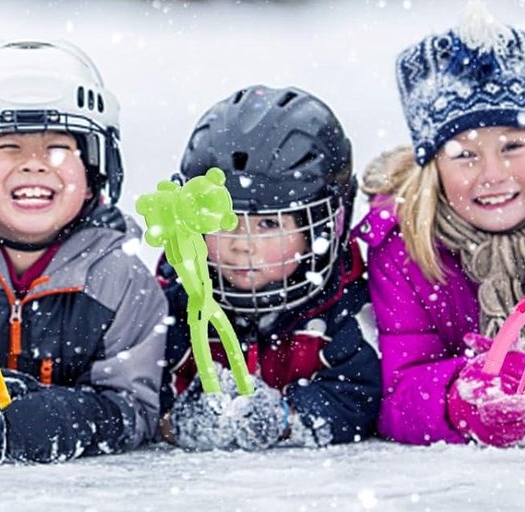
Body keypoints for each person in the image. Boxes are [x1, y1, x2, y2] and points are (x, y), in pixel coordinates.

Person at [0, 40, 167, 467]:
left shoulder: (121, 279)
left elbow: (136, 408)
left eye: (59, 147)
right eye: (8, 147)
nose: (34, 164)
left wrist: (70, 418)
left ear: (94, 174)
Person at [360, 7, 525, 447]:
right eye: (465, 154)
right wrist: (460, 398)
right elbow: (398, 392)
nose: (493, 174)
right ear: (434, 167)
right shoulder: (405, 249)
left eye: (512, 146)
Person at [162, 86, 380, 450]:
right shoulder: (175, 300)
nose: (241, 244)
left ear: (323, 228)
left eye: (268, 224)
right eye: (222, 221)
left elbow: (359, 397)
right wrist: (178, 417)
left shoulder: (347, 304)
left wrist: (286, 417)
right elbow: (144, 392)